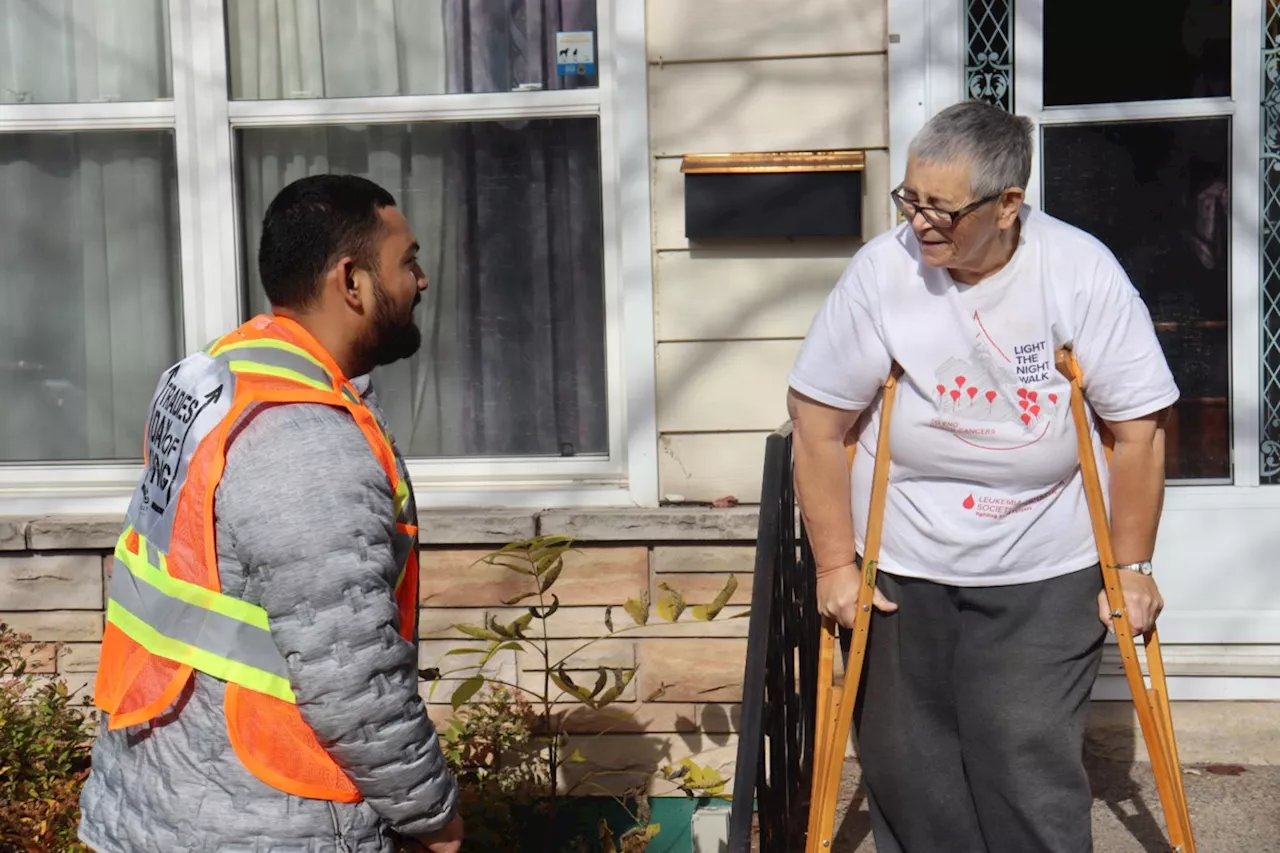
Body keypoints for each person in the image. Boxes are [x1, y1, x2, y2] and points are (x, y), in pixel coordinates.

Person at [786, 100, 1177, 853]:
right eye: (910, 199)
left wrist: (1130, 567)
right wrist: (835, 563)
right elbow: (817, 419)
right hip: (902, 560)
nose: (920, 222)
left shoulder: (1079, 270)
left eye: (942, 208)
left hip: (1045, 558)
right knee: (909, 767)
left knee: (1021, 754)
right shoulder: (883, 271)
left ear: (1007, 205)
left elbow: (1139, 432)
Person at [78, 174, 463, 853]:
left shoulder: (218, 381)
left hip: (168, 790)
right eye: (408, 261)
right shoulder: (304, 442)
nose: (422, 280)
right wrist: (433, 814)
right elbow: (351, 671)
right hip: (268, 813)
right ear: (352, 281)